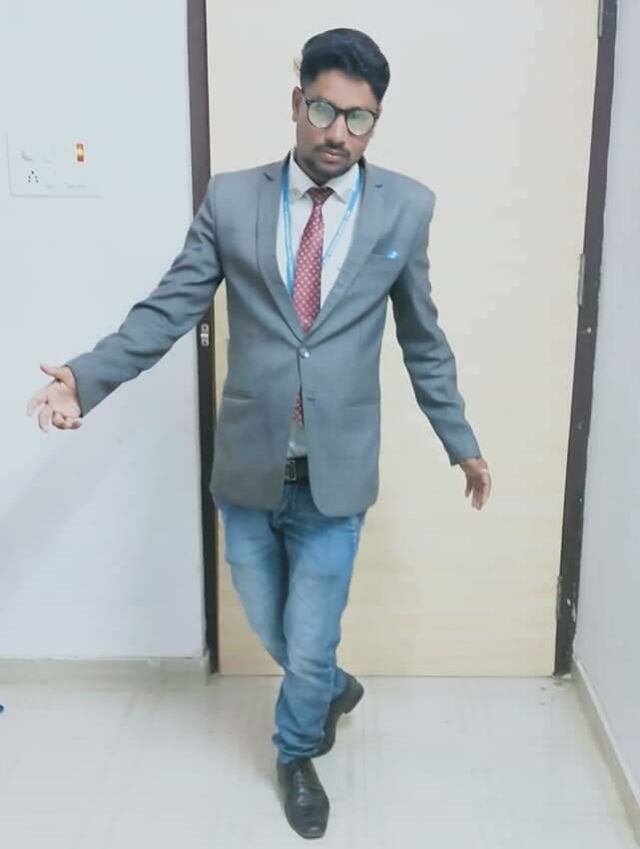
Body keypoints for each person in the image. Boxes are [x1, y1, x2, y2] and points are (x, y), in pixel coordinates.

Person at [27, 27, 491, 840]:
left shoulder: (406, 207)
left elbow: (423, 338)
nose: (338, 132)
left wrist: (460, 439)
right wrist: (85, 377)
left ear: (376, 122)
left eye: (359, 118)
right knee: (276, 628)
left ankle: (296, 751)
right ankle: (331, 686)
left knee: (307, 641)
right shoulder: (233, 199)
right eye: (324, 109)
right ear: (296, 101)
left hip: (336, 472)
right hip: (248, 467)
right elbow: (169, 307)